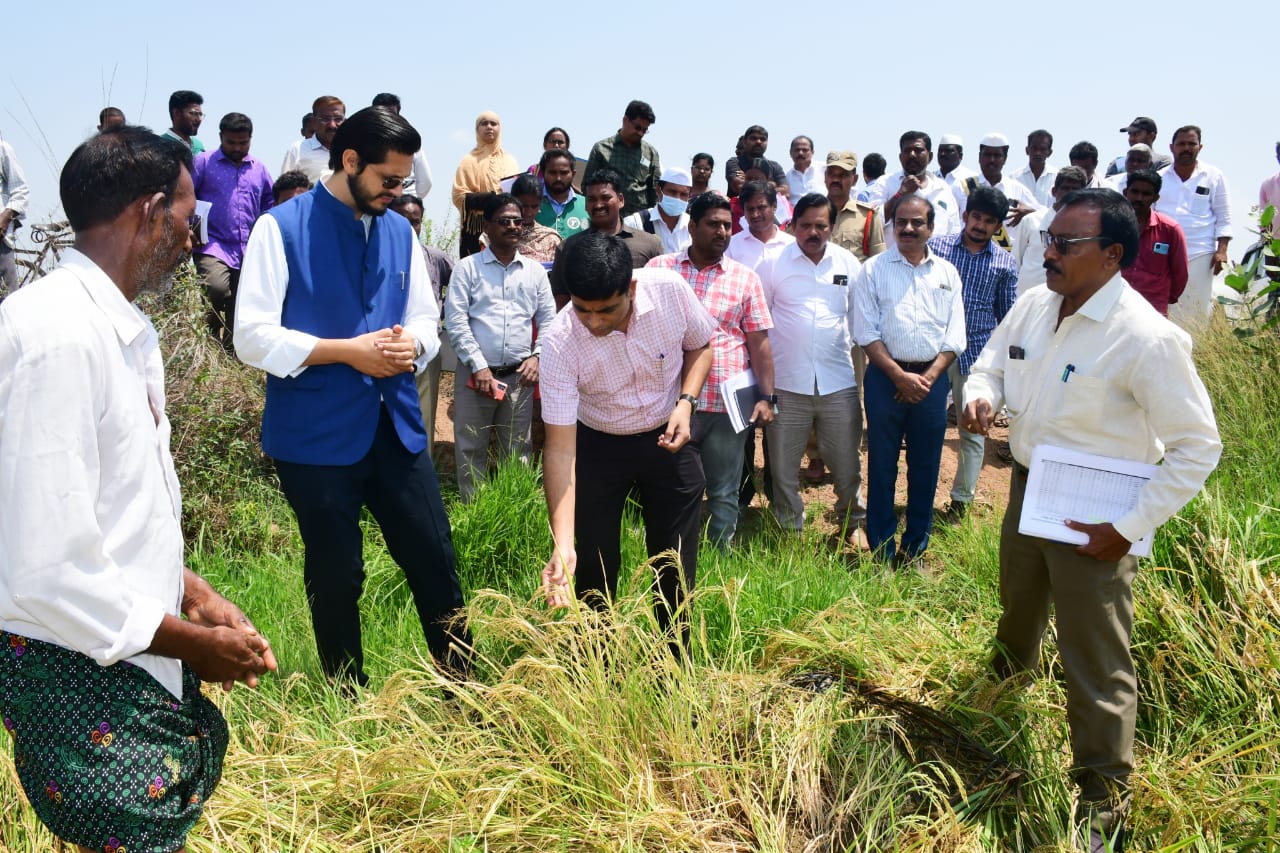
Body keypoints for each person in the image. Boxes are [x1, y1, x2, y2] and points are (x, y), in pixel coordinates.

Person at [0, 126, 276, 853]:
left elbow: (108, 507)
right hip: (74, 657)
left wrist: (191, 590)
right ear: (151, 212)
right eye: (188, 214)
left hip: (118, 643)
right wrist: (193, 645)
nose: (193, 234)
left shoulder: (117, 328)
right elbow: (47, 565)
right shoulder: (57, 335)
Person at [961, 188, 1221, 849]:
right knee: (1017, 608)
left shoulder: (1149, 339)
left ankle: (1102, 799)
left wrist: (1129, 527)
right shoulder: (1034, 304)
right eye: (1048, 237)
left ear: (1111, 255)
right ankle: (1003, 701)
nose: (1047, 252)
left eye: (1065, 244)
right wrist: (982, 394)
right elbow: (991, 360)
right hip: (1028, 490)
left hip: (1098, 518)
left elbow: (1198, 446)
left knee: (1095, 657)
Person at [235, 107, 471, 688]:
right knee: (338, 573)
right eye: (388, 180)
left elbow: (423, 316)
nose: (398, 192)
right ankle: (347, 694)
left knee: (435, 561)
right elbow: (252, 338)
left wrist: (407, 342)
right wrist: (347, 350)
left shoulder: (399, 231)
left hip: (396, 427)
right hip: (314, 437)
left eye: (404, 182)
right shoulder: (280, 228)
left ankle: (468, 686)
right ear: (348, 162)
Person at [539, 230, 716, 656]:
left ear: (631, 288)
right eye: (583, 310)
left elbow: (702, 345)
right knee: (595, 568)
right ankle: (597, 668)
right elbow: (561, 449)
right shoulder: (560, 342)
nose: (594, 323)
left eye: (607, 311)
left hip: (667, 438)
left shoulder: (670, 292)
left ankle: (676, 667)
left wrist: (686, 403)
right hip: (600, 446)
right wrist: (562, 545)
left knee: (673, 567)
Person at [646, 192, 775, 548]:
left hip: (724, 400)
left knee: (723, 489)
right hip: (668, 399)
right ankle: (665, 553)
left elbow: (759, 343)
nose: (722, 231)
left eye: (727, 226)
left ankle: (720, 557)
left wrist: (767, 397)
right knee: (666, 484)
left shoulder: (745, 279)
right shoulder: (659, 270)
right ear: (692, 227)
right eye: (713, 224)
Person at [854, 196, 966, 567]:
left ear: (931, 227)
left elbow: (955, 335)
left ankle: (916, 547)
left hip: (932, 382)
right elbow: (865, 331)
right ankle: (883, 550)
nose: (908, 229)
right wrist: (900, 376)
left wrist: (929, 377)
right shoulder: (872, 270)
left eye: (917, 222)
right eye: (901, 222)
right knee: (882, 464)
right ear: (892, 226)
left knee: (926, 465)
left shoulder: (947, 273)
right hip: (886, 380)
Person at [758, 193, 868, 548]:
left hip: (838, 381)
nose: (813, 232)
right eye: (805, 225)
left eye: (821, 225)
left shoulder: (849, 263)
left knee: (846, 461)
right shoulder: (774, 263)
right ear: (793, 226)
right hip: (787, 383)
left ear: (832, 227)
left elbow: (858, 320)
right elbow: (759, 323)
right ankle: (791, 529)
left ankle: (852, 523)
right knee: (783, 465)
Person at [447, 192, 556, 502]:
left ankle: (514, 512)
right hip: (475, 377)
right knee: (471, 447)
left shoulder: (534, 272)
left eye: (517, 221)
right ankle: (474, 514)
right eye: (504, 221)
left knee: (518, 450)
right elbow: (456, 322)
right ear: (488, 226)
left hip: (519, 377)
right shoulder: (467, 268)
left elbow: (549, 320)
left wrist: (537, 357)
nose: (512, 226)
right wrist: (478, 365)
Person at [927, 186, 1018, 519]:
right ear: (965, 216)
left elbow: (1008, 318)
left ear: (998, 226)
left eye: (989, 221)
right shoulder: (936, 249)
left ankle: (961, 501)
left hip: (975, 358)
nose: (980, 225)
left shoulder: (1005, 265)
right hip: (933, 353)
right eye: (976, 217)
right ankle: (921, 497)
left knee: (973, 431)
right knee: (927, 427)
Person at [192, 112, 274, 353]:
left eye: (243, 143)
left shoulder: (259, 169)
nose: (237, 148)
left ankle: (231, 354)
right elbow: (187, 197)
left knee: (242, 303)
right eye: (231, 142)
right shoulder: (204, 162)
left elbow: (269, 204)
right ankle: (208, 342)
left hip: (248, 248)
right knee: (215, 288)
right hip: (212, 244)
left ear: (250, 138)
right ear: (221, 137)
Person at [388, 193, 453, 460]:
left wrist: (445, 313)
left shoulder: (434, 258)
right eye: (402, 220)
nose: (409, 227)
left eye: (415, 222)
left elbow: (462, 288)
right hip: (386, 349)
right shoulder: (378, 254)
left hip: (425, 352)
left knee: (422, 418)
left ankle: (420, 477)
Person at [1154, 125, 1233, 332]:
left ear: (1200, 147)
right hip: (1164, 254)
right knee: (1163, 313)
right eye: (1181, 144)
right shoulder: (1159, 178)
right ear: (1172, 148)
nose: (1186, 148)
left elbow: (1224, 216)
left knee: (1196, 314)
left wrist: (1222, 251)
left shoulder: (1214, 176)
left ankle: (1195, 360)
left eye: (1192, 144)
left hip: (1200, 255)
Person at [548, 168, 662, 309]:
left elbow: (659, 294)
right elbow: (561, 299)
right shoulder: (568, 248)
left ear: (620, 200)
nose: (598, 205)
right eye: (592, 199)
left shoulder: (649, 245)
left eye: (605, 198)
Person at [952, 133, 1040, 250]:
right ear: (979, 157)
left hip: (1005, 257)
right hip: (966, 253)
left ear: (1005, 159)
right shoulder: (961, 187)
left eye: (997, 155)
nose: (992, 160)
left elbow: (1043, 216)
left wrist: (1030, 211)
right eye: (987, 155)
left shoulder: (1018, 189)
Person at [452, 110, 520, 257]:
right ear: (477, 129)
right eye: (484, 124)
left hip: (507, 227)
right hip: (476, 232)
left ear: (499, 128)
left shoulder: (510, 161)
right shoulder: (468, 161)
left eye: (493, 123)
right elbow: (458, 196)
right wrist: (491, 199)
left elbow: (516, 196)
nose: (489, 127)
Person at [1122, 169, 1189, 316]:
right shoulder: (1112, 226)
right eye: (1135, 191)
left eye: (1146, 194)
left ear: (1156, 197)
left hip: (1153, 311)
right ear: (1125, 192)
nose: (1139, 198)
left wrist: (1163, 299)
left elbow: (1180, 273)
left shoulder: (1170, 230)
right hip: (1116, 307)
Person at [1012, 166, 1088, 294]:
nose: (1070, 193)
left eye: (1075, 189)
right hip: (1027, 297)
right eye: (1065, 188)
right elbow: (1015, 262)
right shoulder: (1032, 221)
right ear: (1054, 191)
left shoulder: (1086, 229)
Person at [877, 131, 962, 238]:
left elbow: (954, 232)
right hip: (894, 254)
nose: (912, 155)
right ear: (900, 157)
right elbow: (872, 223)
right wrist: (900, 194)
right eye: (907, 151)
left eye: (918, 150)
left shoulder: (942, 188)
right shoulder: (885, 183)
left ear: (930, 157)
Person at [585, 100, 661, 217]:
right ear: (625, 120)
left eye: (645, 130)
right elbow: (587, 185)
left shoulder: (650, 153)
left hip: (639, 221)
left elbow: (655, 191)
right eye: (637, 127)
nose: (640, 133)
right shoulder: (601, 149)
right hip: (607, 218)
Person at [825, 150, 885, 262]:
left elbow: (879, 262)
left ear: (855, 179)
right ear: (825, 177)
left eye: (843, 175)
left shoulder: (868, 216)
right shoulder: (811, 214)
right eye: (831, 174)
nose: (835, 179)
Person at [371, 93, 433, 200]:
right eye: (383, 114)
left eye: (391, 114)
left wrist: (410, 199)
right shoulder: (364, 141)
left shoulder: (410, 141)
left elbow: (426, 181)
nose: (387, 118)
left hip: (404, 201)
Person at [727, 180, 796, 270]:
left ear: (774, 207)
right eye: (750, 209)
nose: (755, 214)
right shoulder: (731, 246)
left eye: (761, 208)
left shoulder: (792, 245)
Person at [623, 166, 693, 254]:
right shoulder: (635, 223)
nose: (677, 198)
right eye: (672, 192)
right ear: (658, 190)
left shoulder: (693, 227)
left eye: (683, 194)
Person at [281, 96, 345, 183]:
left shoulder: (354, 150)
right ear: (314, 121)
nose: (332, 125)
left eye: (338, 119)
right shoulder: (297, 150)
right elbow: (285, 190)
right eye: (325, 119)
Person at [535, 148, 589, 239]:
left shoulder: (587, 205)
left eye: (564, 173)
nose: (558, 178)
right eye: (553, 173)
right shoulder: (531, 205)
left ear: (573, 174)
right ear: (543, 173)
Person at [510, 173, 563, 263]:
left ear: (540, 205)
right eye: (524, 206)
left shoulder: (550, 239)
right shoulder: (497, 235)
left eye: (534, 206)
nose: (528, 212)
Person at [0, 137, 29, 295]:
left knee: (7, 299)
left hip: (1, 242)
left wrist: (5, 216)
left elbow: (21, 191)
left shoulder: (3, 149)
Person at [723, 125, 787, 188]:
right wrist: (772, 184)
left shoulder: (774, 166)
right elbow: (738, 186)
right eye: (753, 138)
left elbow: (785, 191)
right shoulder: (735, 162)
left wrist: (747, 181)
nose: (758, 142)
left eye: (763, 139)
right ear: (744, 142)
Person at [1107, 117, 1172, 177]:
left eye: (1136, 134)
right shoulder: (1118, 163)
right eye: (1129, 134)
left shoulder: (1162, 161)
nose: (1131, 139)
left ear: (1151, 136)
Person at [1009, 129, 1058, 207]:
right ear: (1027, 150)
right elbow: (1011, 205)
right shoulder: (1014, 178)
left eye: (1043, 149)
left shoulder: (1058, 177)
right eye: (1034, 148)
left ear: (1050, 153)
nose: (1038, 153)